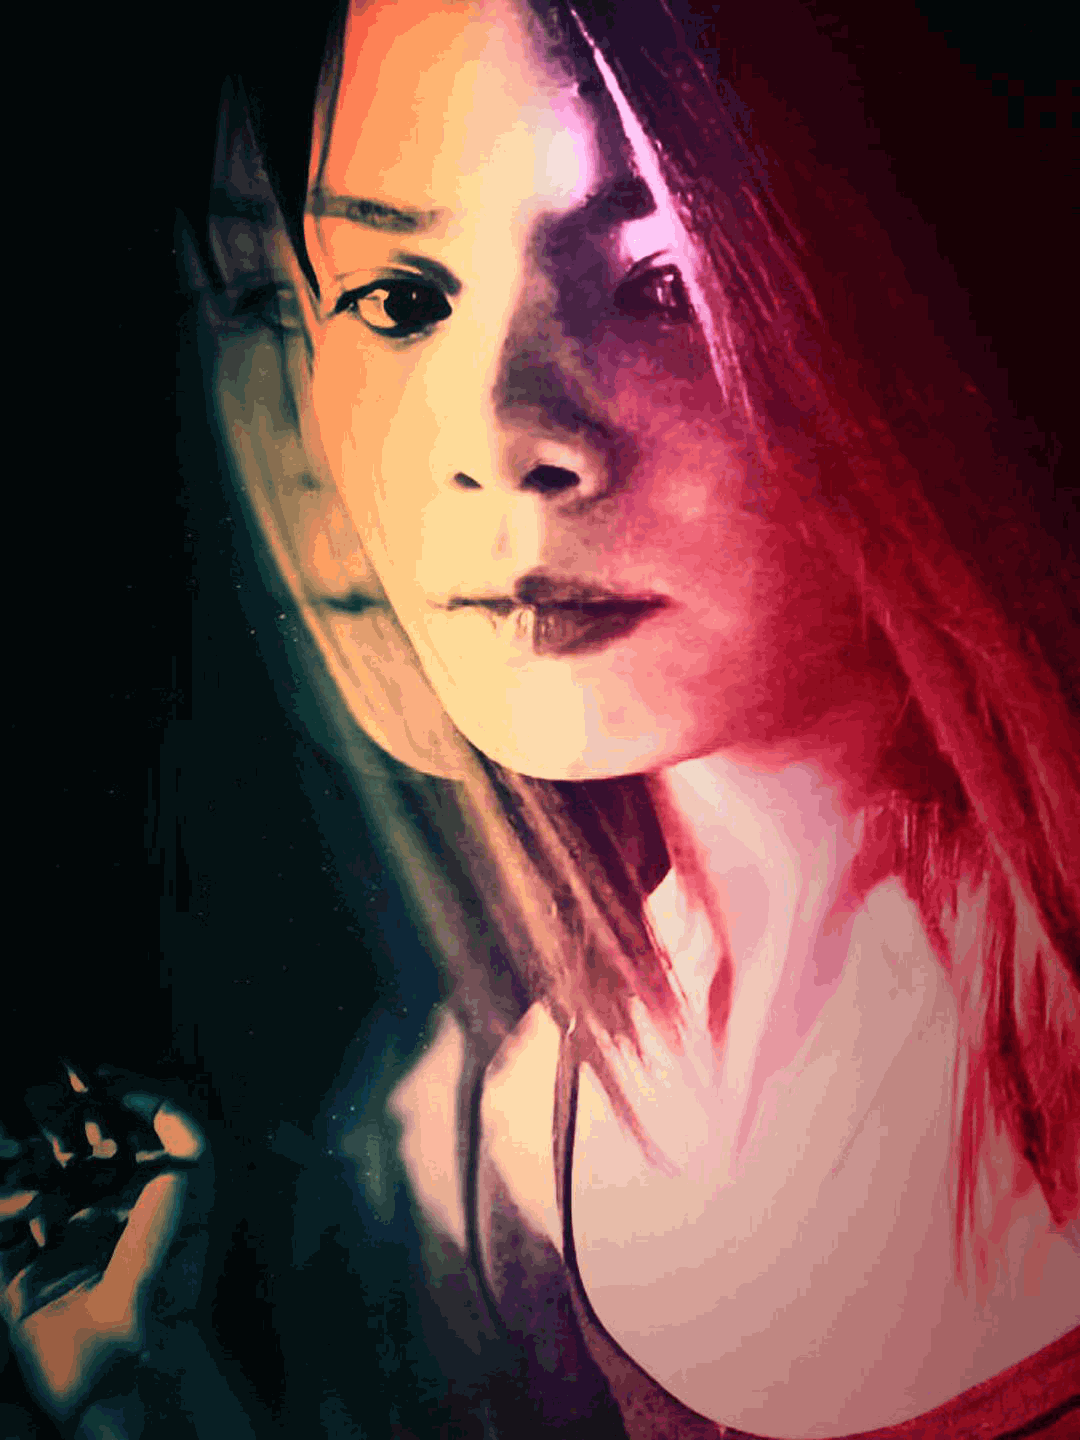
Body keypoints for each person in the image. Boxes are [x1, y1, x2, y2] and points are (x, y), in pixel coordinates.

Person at [4, 0, 1078, 1434]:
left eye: (668, 281)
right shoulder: (513, 1151)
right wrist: (143, 1396)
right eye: (400, 299)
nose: (499, 435)